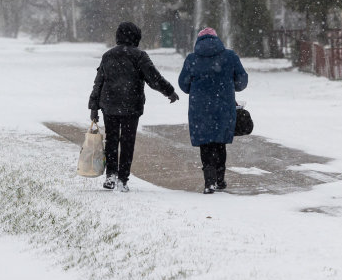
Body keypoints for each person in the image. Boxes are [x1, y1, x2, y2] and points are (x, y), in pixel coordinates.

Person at [88, 21, 179, 192]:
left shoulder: (108, 55)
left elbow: (98, 82)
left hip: (110, 104)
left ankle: (111, 175)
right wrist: (170, 92)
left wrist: (94, 107)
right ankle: (123, 179)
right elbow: (154, 79)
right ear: (136, 37)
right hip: (131, 105)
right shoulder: (139, 56)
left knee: (112, 141)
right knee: (128, 142)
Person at [178, 27, 248, 194]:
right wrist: (231, 86)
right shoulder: (230, 56)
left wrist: (197, 88)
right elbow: (242, 81)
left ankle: (209, 181)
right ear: (217, 40)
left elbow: (183, 84)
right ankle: (219, 178)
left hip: (200, 108)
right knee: (219, 142)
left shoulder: (192, 59)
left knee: (206, 144)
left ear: (198, 41)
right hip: (224, 106)